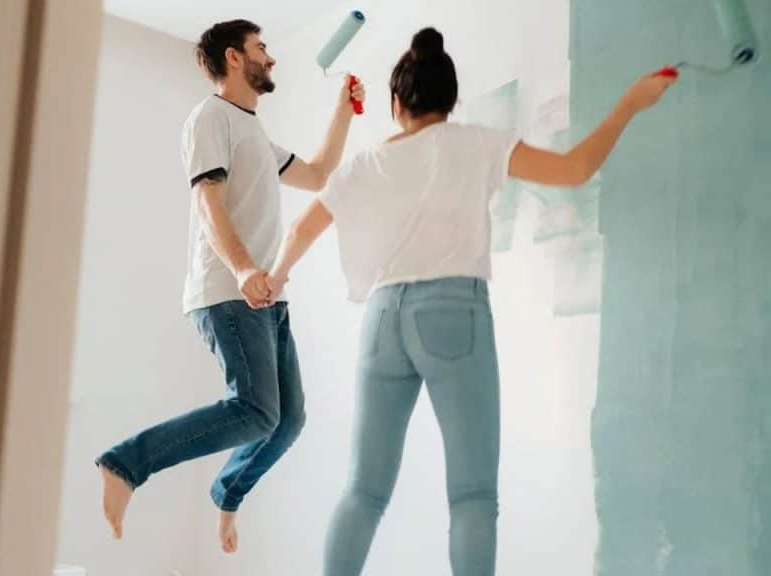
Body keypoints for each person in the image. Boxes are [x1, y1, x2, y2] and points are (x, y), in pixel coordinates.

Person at [263, 27, 676, 576]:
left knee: (363, 490)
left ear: (395, 104)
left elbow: (299, 233)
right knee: (473, 497)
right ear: (451, 102)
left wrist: (272, 280)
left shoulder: (365, 165)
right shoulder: (476, 142)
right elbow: (575, 169)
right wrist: (629, 104)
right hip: (453, 314)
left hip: (381, 321)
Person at [95, 19, 366, 553]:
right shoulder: (210, 118)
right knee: (256, 410)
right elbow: (208, 201)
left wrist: (343, 110)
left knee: (287, 421)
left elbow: (315, 174)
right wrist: (243, 269)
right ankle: (125, 462)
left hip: (265, 297)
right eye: (263, 48)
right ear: (234, 58)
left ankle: (226, 492)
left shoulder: (254, 133)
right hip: (229, 290)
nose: (272, 57)